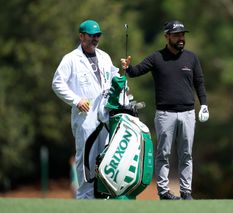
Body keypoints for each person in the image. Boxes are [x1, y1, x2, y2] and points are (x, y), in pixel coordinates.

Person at [120, 20, 209, 200]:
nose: (181, 38)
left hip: (188, 113)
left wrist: (204, 104)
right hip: (164, 114)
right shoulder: (156, 58)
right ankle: (163, 191)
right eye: (176, 35)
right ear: (167, 36)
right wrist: (127, 67)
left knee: (186, 154)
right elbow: (136, 71)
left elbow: (199, 82)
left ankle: (186, 192)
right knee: (164, 154)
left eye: (182, 35)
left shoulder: (191, 58)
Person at [52, 19, 119, 199]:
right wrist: (75, 100)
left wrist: (122, 75)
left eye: (98, 35)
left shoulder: (105, 56)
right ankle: (84, 197)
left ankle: (103, 195)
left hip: (104, 115)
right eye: (91, 35)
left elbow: (114, 76)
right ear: (82, 36)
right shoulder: (71, 59)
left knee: (105, 158)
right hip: (85, 116)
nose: (95, 39)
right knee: (86, 159)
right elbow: (57, 83)